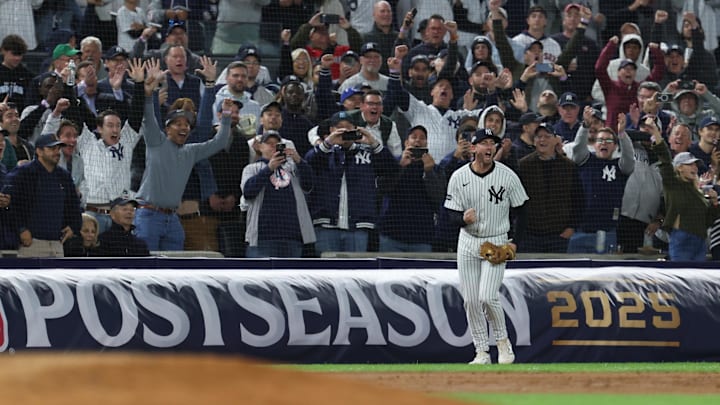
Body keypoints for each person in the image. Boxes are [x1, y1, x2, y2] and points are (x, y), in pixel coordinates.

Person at [443, 127, 528, 365]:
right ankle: (481, 351)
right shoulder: (459, 176)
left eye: (493, 143)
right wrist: (462, 219)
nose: (490, 147)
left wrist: (515, 241)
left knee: (487, 297)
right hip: (468, 240)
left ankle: (503, 343)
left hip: (496, 240)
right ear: (473, 148)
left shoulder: (508, 175)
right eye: (484, 143)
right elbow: (449, 216)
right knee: (470, 300)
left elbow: (522, 211)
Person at [133, 59, 233, 251]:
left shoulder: (191, 151)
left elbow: (219, 142)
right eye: (178, 123)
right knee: (144, 268)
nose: (184, 127)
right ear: (167, 128)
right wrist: (150, 91)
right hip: (148, 215)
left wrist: (226, 118)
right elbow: (149, 115)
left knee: (174, 271)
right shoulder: (156, 141)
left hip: (173, 219)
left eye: (187, 124)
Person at [305, 111, 398, 255]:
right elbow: (308, 165)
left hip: (359, 226)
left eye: (348, 127)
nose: (344, 131)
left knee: (355, 272)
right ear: (331, 130)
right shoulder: (323, 153)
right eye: (339, 127)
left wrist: (373, 142)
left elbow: (391, 169)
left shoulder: (367, 153)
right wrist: (328, 142)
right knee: (326, 274)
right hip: (326, 225)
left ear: (356, 129)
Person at [648, 116, 720, 261]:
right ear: (679, 168)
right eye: (690, 164)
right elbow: (664, 158)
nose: (694, 167)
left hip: (700, 240)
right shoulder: (673, 184)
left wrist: (714, 202)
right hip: (682, 238)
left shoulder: (697, 191)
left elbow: (708, 221)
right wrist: (655, 131)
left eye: (695, 165)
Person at [4, 133, 82, 258]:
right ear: (39, 151)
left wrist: (74, 226)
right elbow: (8, 205)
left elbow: (74, 205)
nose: (57, 152)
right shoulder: (24, 173)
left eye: (58, 148)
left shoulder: (63, 176)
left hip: (57, 243)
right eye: (51, 149)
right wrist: (21, 229)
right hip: (31, 244)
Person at [569, 108, 635, 253]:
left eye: (608, 140)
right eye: (600, 140)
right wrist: (585, 126)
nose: (604, 143)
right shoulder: (585, 160)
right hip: (580, 229)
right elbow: (578, 148)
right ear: (594, 144)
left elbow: (630, 158)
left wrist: (622, 134)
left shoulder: (620, 166)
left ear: (615, 146)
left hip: (607, 230)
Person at [241, 130, 315, 258]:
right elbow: (248, 192)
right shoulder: (252, 168)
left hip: (293, 236)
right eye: (269, 143)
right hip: (263, 237)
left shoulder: (292, 168)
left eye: (277, 144)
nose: (273, 146)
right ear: (260, 147)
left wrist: (299, 161)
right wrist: (269, 168)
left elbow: (309, 185)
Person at [378, 125, 446, 252]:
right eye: (414, 137)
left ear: (427, 143)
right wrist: (400, 167)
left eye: (422, 138)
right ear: (406, 142)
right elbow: (384, 189)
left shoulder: (434, 168)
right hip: (391, 235)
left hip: (422, 237)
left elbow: (438, 198)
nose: (417, 141)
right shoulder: (394, 163)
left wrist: (429, 172)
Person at [517, 123, 583, 253]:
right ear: (534, 141)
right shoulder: (523, 165)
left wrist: (571, 227)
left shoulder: (569, 166)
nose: (542, 140)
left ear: (555, 140)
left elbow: (579, 200)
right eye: (539, 136)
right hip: (530, 237)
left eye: (547, 136)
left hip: (558, 236)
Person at [0, 34, 35, 111]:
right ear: (3, 51)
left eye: (20, 54)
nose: (17, 58)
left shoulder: (28, 76)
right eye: (14, 54)